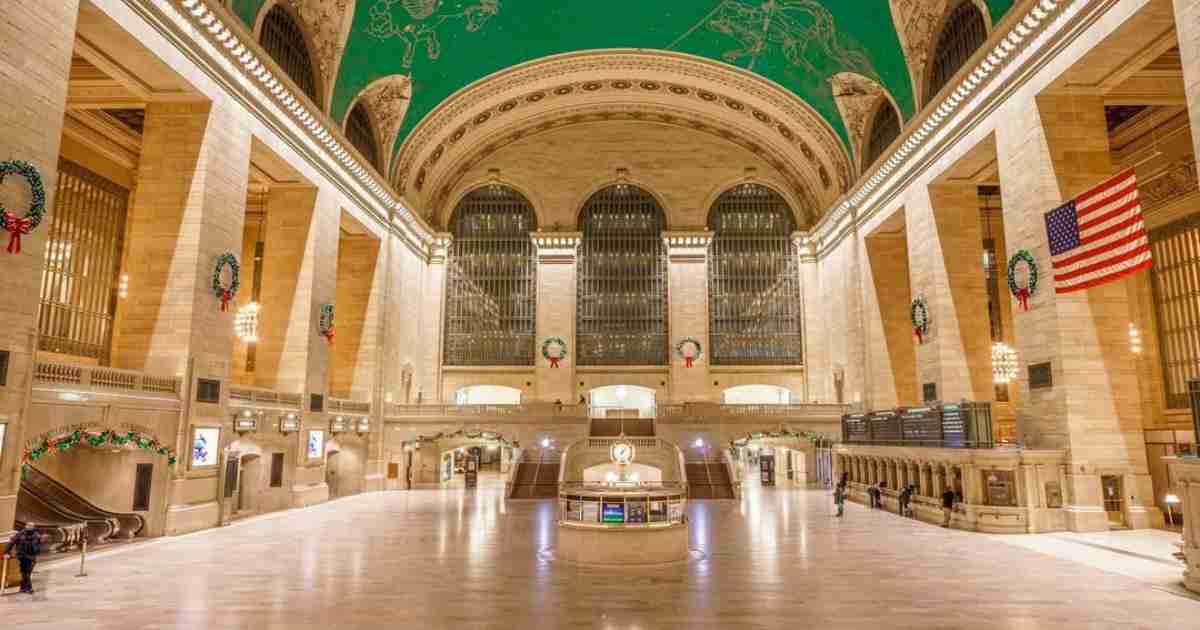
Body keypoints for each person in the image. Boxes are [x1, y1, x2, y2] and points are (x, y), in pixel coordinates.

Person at [4, 522, 43, 594]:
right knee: (25, 572)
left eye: (31, 526)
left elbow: (38, 547)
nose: (30, 527)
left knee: (26, 572)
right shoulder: (20, 534)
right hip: (22, 556)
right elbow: (11, 543)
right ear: (26, 526)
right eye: (29, 526)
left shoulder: (36, 535)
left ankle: (23, 588)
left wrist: (37, 551)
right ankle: (28, 588)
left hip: (31, 557)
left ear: (34, 527)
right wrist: (6, 552)